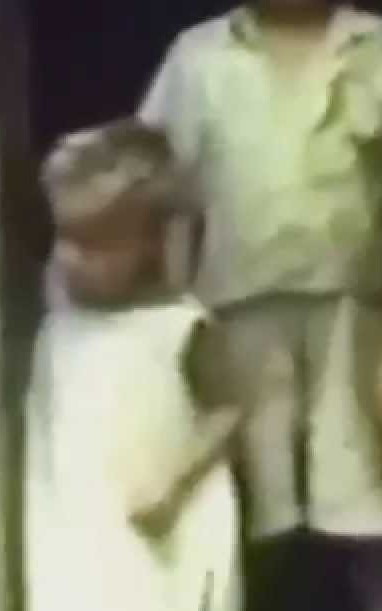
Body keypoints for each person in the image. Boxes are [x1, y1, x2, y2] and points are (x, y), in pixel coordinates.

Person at [138, 0, 382, 609]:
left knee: (361, 481)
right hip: (235, 302)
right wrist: (166, 308)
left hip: (353, 300)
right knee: (254, 485)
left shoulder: (376, 42)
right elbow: (152, 169)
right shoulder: (198, 54)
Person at [24, 120, 245, 611]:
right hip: (80, 533)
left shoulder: (177, 326)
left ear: (150, 243)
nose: (74, 259)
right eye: (66, 239)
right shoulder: (59, 329)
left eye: (97, 245)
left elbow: (228, 409)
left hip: (161, 525)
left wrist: (173, 485)